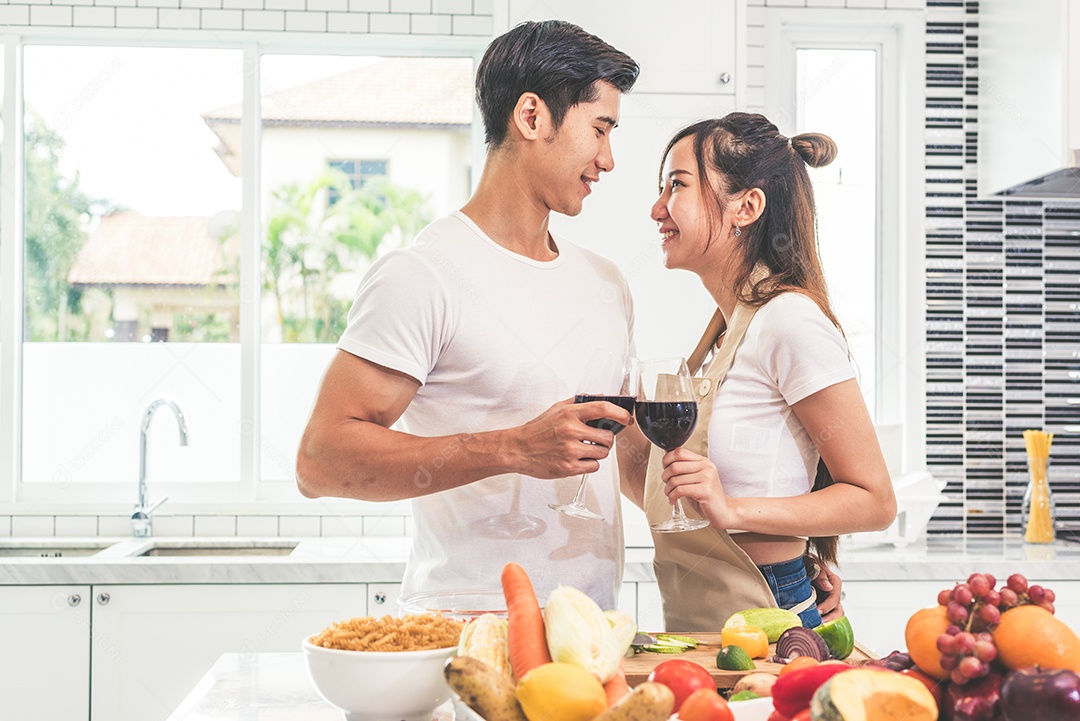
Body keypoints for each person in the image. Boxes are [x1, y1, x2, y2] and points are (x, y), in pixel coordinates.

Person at [295, 20, 641, 610]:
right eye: (600, 129)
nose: (608, 159)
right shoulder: (422, 275)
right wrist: (512, 448)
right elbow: (321, 460)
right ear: (531, 117)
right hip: (463, 632)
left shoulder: (606, 283)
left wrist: (759, 549)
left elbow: (629, 465)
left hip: (592, 632)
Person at [619, 113, 896, 631]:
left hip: (765, 619)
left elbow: (875, 500)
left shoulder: (789, 321)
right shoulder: (719, 334)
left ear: (746, 206)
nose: (658, 208)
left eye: (676, 185)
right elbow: (672, 495)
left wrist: (737, 510)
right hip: (704, 626)